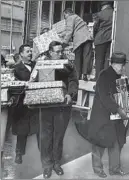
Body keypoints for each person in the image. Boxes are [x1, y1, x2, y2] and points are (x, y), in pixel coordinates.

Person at [87, 52, 129, 178]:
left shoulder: (120, 76)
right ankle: (97, 169)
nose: (121, 68)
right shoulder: (105, 75)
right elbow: (104, 96)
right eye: (118, 65)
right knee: (99, 143)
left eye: (122, 65)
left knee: (116, 141)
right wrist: (118, 109)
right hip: (102, 114)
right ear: (112, 64)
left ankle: (114, 168)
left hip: (114, 114)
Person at [40, 41, 78, 179]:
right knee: (45, 136)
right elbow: (34, 80)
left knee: (58, 136)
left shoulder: (68, 65)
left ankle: (56, 163)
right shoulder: (42, 64)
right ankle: (47, 166)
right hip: (46, 106)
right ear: (50, 52)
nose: (60, 54)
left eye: (61, 51)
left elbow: (74, 81)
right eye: (57, 51)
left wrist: (70, 94)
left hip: (62, 105)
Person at [12, 44, 39, 164]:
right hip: (22, 103)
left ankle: (42, 152)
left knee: (40, 128)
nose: (30, 53)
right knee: (21, 131)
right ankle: (19, 154)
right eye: (28, 51)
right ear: (21, 54)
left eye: (31, 51)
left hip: (37, 101)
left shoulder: (37, 66)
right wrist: (27, 83)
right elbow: (14, 86)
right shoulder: (16, 69)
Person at [61, 8, 93, 81]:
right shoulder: (78, 18)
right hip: (88, 38)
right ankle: (85, 74)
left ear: (67, 13)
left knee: (78, 58)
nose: (64, 17)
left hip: (79, 39)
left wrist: (64, 43)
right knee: (86, 57)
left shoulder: (70, 18)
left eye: (64, 15)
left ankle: (77, 76)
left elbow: (69, 31)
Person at [93, 1, 113, 80]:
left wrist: (94, 36)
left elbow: (95, 27)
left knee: (99, 60)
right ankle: (105, 77)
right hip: (110, 39)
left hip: (100, 39)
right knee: (107, 59)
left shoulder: (100, 14)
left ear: (104, 6)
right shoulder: (115, 13)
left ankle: (98, 77)